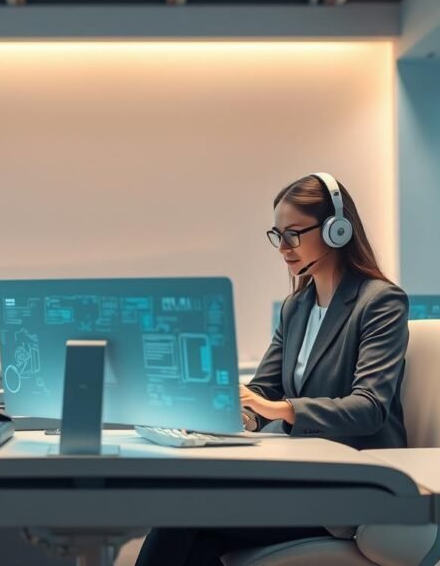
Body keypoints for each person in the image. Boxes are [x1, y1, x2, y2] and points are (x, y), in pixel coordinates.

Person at [136, 173, 409, 566]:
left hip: (353, 488)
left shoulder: (380, 302)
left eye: (294, 234)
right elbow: (263, 391)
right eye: (277, 235)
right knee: (193, 533)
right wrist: (234, 413)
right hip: (301, 477)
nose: (283, 248)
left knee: (185, 520)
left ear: (337, 230)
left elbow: (368, 408)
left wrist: (279, 410)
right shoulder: (296, 307)